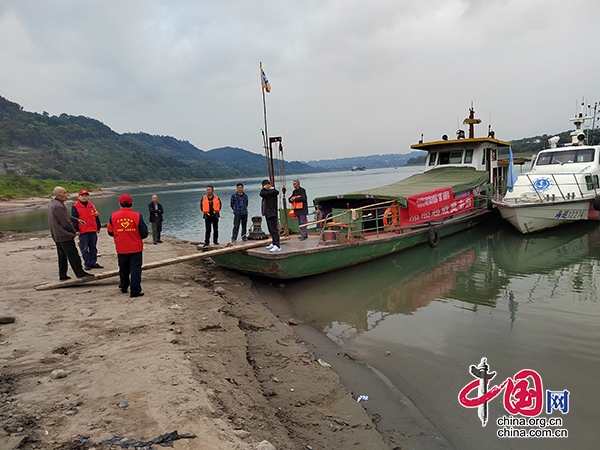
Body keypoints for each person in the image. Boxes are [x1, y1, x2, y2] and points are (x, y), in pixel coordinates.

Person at [47, 186, 94, 281]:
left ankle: (63, 275)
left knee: (62, 256)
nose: (66, 195)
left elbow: (66, 216)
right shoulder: (58, 206)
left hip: (57, 235)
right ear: (58, 195)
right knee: (73, 255)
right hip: (63, 235)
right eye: (64, 193)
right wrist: (74, 231)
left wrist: (76, 220)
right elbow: (65, 222)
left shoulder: (54, 204)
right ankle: (80, 273)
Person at [107, 194, 149, 297]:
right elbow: (144, 233)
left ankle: (124, 286)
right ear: (132, 203)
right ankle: (135, 291)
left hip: (121, 247)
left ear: (119, 204)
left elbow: (110, 231)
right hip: (135, 247)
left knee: (123, 268)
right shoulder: (137, 216)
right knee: (135, 269)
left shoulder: (113, 216)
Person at [71, 189, 103, 270]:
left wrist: (98, 227)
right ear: (79, 197)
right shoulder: (75, 206)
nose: (84, 197)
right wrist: (76, 230)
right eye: (82, 196)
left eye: (86, 195)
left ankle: (93, 262)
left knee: (93, 247)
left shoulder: (92, 205)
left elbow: (96, 216)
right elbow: (74, 219)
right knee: (84, 248)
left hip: (92, 229)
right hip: (83, 230)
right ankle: (87, 263)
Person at [260, 179, 280, 252]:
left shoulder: (272, 192)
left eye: (264, 186)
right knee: (270, 229)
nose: (263, 188)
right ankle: (274, 242)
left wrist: (265, 188)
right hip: (268, 213)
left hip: (272, 213)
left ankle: (277, 245)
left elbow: (261, 194)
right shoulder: (268, 192)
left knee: (274, 230)